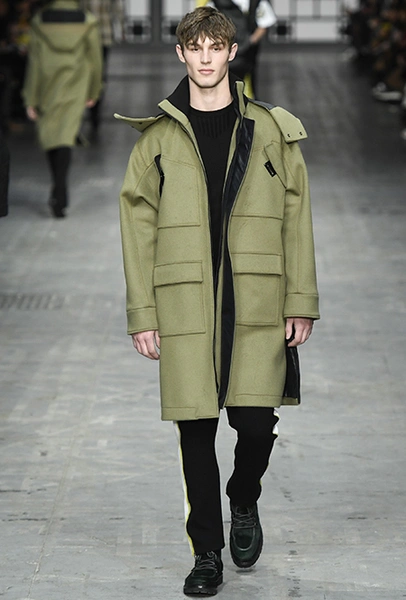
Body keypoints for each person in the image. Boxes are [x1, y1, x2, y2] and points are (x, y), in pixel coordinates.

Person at [116, 6, 319, 596]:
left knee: (255, 425)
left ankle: (244, 496)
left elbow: (296, 215)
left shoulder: (271, 131)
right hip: (184, 300)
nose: (205, 58)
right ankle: (206, 552)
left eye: (215, 47)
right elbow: (136, 230)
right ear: (181, 54)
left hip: (257, 296)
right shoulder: (156, 140)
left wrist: (300, 299)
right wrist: (143, 313)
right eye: (195, 48)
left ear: (233, 52)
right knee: (196, 429)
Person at [22, 0, 102, 218]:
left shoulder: (40, 21)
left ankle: (58, 186)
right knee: (65, 135)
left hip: (47, 85)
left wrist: (31, 97)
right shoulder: (86, 21)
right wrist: (94, 90)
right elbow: (95, 59)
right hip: (76, 83)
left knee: (51, 134)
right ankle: (60, 187)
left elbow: (34, 61)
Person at [197, 0, 277, 98]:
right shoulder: (217, 2)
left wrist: (249, 42)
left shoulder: (256, 2)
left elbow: (264, 24)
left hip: (243, 53)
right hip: (229, 50)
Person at [83, 0, 126, 133]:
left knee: (93, 73)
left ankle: (93, 109)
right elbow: (118, 9)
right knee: (98, 73)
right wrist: (122, 28)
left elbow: (118, 9)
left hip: (89, 35)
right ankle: (93, 110)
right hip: (100, 35)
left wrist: (121, 27)